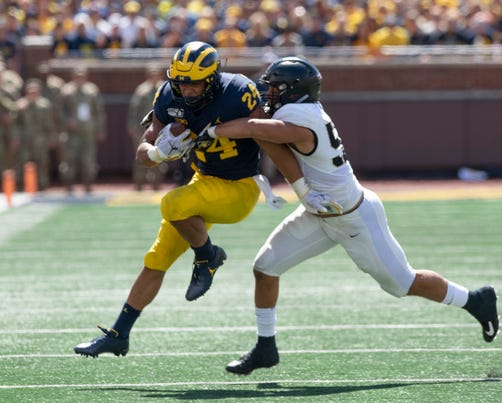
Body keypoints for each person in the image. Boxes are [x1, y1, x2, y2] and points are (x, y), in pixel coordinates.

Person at [195, 56, 500, 375]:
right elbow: (266, 137)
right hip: (319, 211)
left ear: (294, 91)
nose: (268, 94)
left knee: (403, 283)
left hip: (353, 217)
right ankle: (265, 347)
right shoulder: (299, 111)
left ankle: (475, 300)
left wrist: (213, 131)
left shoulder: (299, 117)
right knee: (265, 267)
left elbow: (256, 128)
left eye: (275, 88)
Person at [73, 41, 330, 358]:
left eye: (193, 82)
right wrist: (156, 153)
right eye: (180, 81)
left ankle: (208, 256)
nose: (186, 89)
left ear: (212, 78)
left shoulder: (239, 91)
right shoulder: (168, 95)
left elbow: (272, 142)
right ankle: (119, 334)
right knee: (157, 258)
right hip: (202, 182)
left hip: (239, 187)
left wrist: (301, 188)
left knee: (171, 204)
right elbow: (143, 153)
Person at [58, 66, 106, 194]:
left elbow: (98, 111)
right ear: (73, 77)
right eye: (77, 76)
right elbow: (59, 111)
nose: (80, 79)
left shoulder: (92, 90)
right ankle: (69, 187)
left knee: (89, 161)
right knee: (69, 161)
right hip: (71, 132)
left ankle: (88, 186)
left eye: (82, 76)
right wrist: (67, 121)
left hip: (88, 132)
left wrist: (100, 129)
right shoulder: (66, 91)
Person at [126, 64, 166, 191]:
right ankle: (139, 187)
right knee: (141, 158)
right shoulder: (142, 91)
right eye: (151, 74)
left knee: (160, 157)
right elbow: (134, 110)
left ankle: (156, 186)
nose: (154, 77)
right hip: (143, 130)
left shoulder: (164, 88)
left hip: (161, 129)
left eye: (156, 74)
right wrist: (132, 127)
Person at [13, 79, 55, 191]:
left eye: (35, 92)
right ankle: (21, 186)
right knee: (22, 163)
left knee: (42, 163)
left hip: (40, 139)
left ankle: (42, 186)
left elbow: (49, 123)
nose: (33, 94)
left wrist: (51, 138)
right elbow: (16, 124)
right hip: (25, 139)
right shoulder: (21, 105)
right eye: (31, 92)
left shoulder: (44, 105)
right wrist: (16, 138)